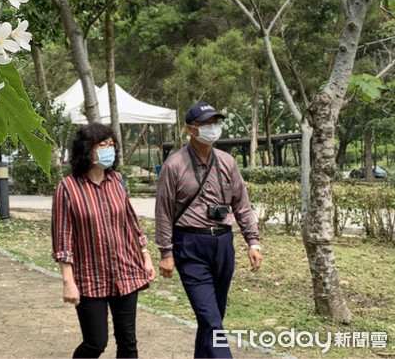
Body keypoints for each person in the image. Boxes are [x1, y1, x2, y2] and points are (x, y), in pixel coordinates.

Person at [155, 102, 262, 358]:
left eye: (216, 122)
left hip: (223, 245)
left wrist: (253, 242)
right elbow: (163, 213)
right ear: (190, 129)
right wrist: (166, 252)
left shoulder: (227, 162)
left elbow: (242, 205)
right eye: (206, 124)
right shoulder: (174, 165)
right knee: (211, 319)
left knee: (213, 317)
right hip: (190, 245)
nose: (213, 128)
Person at [52, 123, 156, 358]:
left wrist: (145, 256)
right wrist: (68, 281)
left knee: (128, 342)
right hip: (90, 278)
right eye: (103, 145)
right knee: (95, 343)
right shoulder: (67, 188)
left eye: (112, 144)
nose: (110, 149)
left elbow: (131, 222)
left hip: (125, 271)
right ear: (86, 149)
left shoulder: (117, 180)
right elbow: (63, 239)